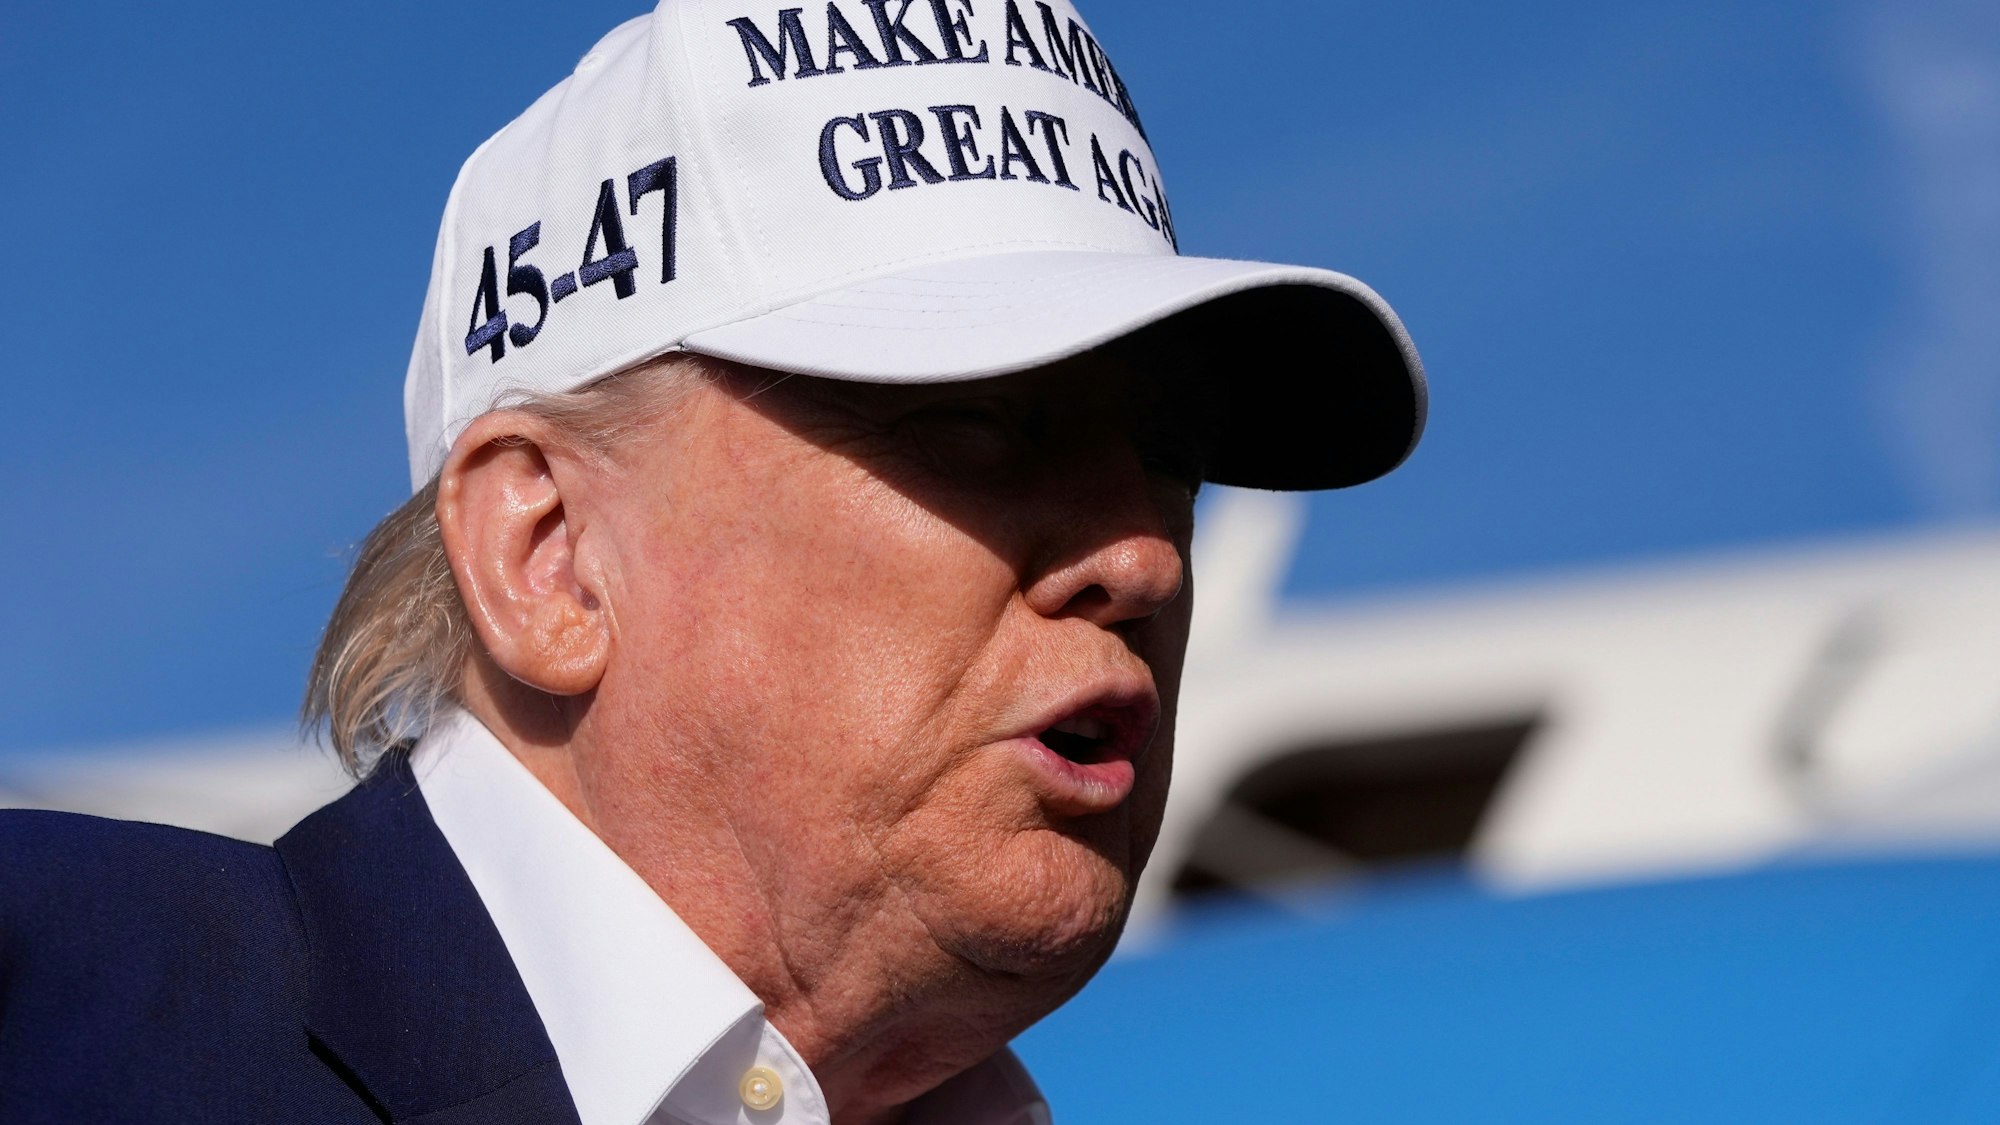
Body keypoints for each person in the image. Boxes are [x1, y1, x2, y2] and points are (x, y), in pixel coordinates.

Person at [0, 1, 1424, 1122]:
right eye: (981, 422)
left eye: (1169, 454)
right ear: (548, 557)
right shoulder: (58, 1003)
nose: (1146, 558)